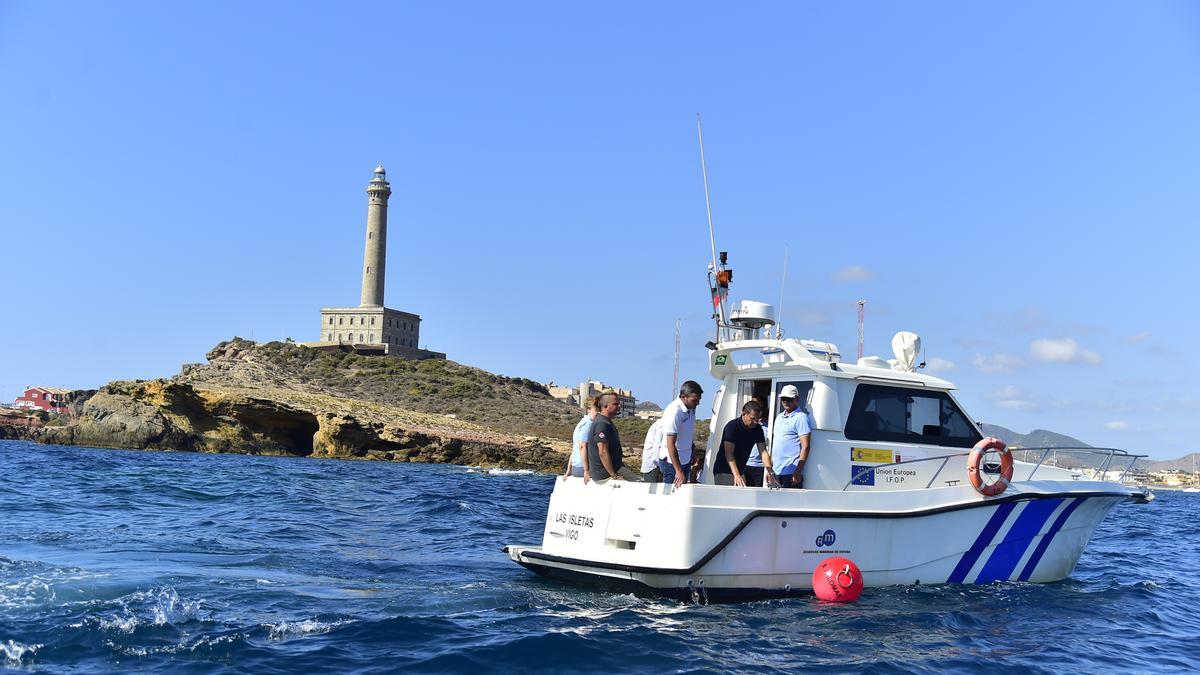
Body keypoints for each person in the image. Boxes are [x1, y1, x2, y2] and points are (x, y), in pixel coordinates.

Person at [654, 381, 703, 488]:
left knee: (681, 493)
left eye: (699, 400)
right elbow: (670, 444)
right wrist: (678, 470)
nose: (697, 403)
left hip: (685, 459)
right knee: (671, 494)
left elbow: (687, 434)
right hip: (672, 464)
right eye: (694, 400)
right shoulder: (675, 412)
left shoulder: (691, 408)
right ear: (683, 397)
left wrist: (692, 453)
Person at [587, 392, 643, 482]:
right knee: (640, 483)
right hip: (605, 473)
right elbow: (603, 451)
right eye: (615, 404)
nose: (619, 406)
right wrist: (613, 475)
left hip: (614, 468)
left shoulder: (605, 421)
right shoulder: (602, 424)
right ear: (605, 406)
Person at [714, 400, 766, 486]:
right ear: (744, 414)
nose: (755, 422)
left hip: (740, 470)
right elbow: (729, 454)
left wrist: (770, 471)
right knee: (727, 498)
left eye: (758, 419)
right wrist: (737, 475)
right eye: (752, 418)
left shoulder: (757, 429)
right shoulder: (732, 426)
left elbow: (763, 452)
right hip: (724, 470)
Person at [770, 384, 812, 489]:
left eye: (789, 399)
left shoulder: (801, 418)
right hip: (776, 471)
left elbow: (806, 446)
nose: (786, 401)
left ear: (797, 399)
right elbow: (775, 444)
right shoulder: (779, 417)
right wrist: (770, 471)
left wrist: (797, 471)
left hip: (791, 473)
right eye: (783, 399)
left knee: (790, 504)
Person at [562, 396, 599, 483]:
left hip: (576, 467)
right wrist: (586, 470)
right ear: (588, 409)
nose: (598, 413)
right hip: (582, 468)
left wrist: (569, 468)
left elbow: (574, 448)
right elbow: (582, 446)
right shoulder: (588, 424)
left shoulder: (581, 422)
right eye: (596, 410)